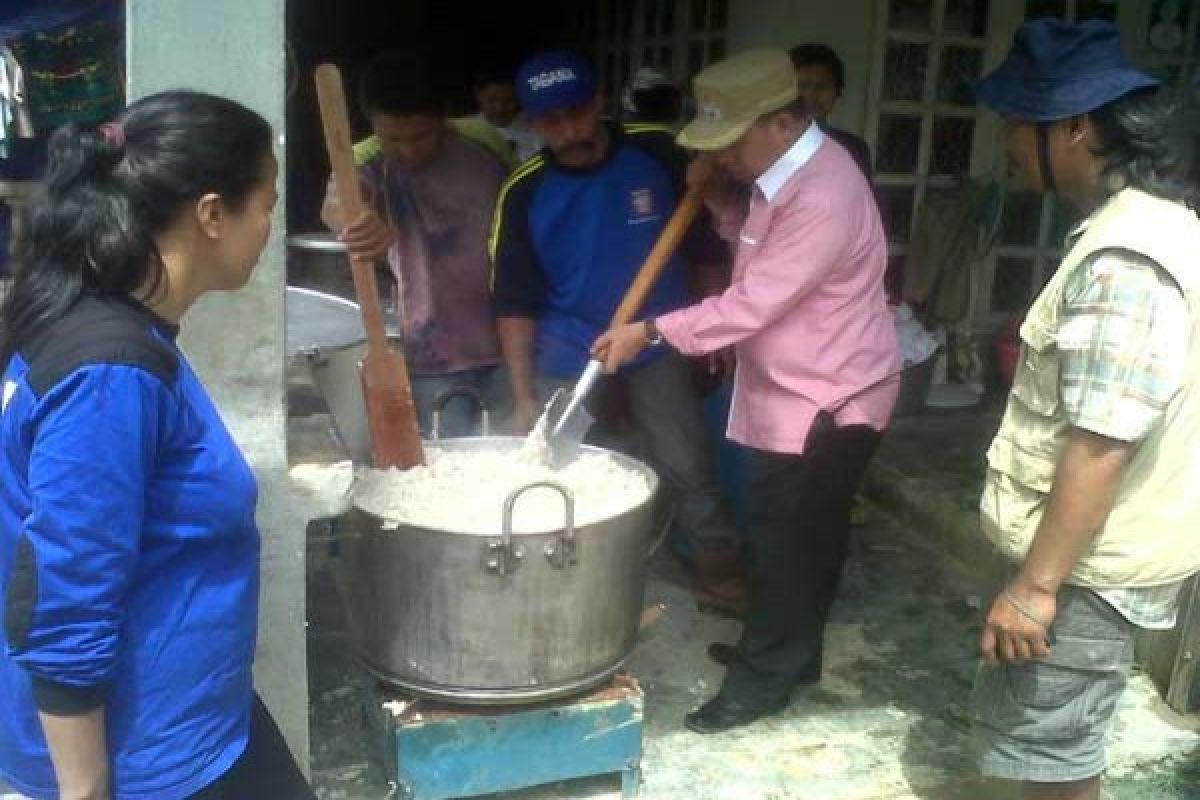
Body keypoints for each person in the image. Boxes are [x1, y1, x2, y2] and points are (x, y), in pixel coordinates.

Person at [0, 92, 314, 799]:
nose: (270, 228)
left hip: (196, 727)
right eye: (265, 203)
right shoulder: (110, 373)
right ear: (210, 214)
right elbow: (61, 597)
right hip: (144, 764)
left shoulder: (115, 325)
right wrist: (85, 792)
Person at [594, 48, 899, 734]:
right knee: (799, 540)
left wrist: (650, 332)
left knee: (787, 541)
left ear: (784, 123)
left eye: (730, 142)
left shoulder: (823, 191)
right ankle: (791, 653)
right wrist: (724, 197)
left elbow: (753, 302)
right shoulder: (776, 178)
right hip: (794, 386)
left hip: (828, 398)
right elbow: (753, 252)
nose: (723, 154)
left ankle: (762, 678)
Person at [969, 19, 1200, 800]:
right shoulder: (1152, 226)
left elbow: (1103, 441)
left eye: (1017, 119)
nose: (1002, 137)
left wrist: (1036, 588)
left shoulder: (1126, 257)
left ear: (1073, 127)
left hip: (1086, 576)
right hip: (1094, 563)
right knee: (1061, 754)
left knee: (1050, 761)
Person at [491, 50, 745, 613]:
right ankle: (567, 584)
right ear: (532, 123)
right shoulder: (525, 191)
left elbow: (705, 250)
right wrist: (524, 394)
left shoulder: (659, 154)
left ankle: (721, 579)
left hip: (659, 340)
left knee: (686, 464)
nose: (568, 130)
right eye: (551, 121)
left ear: (601, 101)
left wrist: (716, 330)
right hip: (569, 348)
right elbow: (513, 302)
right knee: (559, 466)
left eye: (577, 113)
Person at [323, 51, 510, 438]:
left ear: (446, 117)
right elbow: (339, 199)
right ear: (373, 125)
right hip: (433, 354)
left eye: (423, 135)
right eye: (393, 138)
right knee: (447, 465)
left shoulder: (486, 145)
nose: (409, 150)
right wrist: (356, 222)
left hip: (512, 342)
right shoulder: (365, 158)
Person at [789, 43, 872, 181]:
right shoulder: (766, 143)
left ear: (838, 92)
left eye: (822, 86)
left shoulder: (854, 149)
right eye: (802, 85)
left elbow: (863, 199)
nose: (811, 95)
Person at [472, 68, 543, 163]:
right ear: (478, 95)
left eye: (508, 100)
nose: (499, 108)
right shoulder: (466, 130)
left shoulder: (537, 126)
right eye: (491, 100)